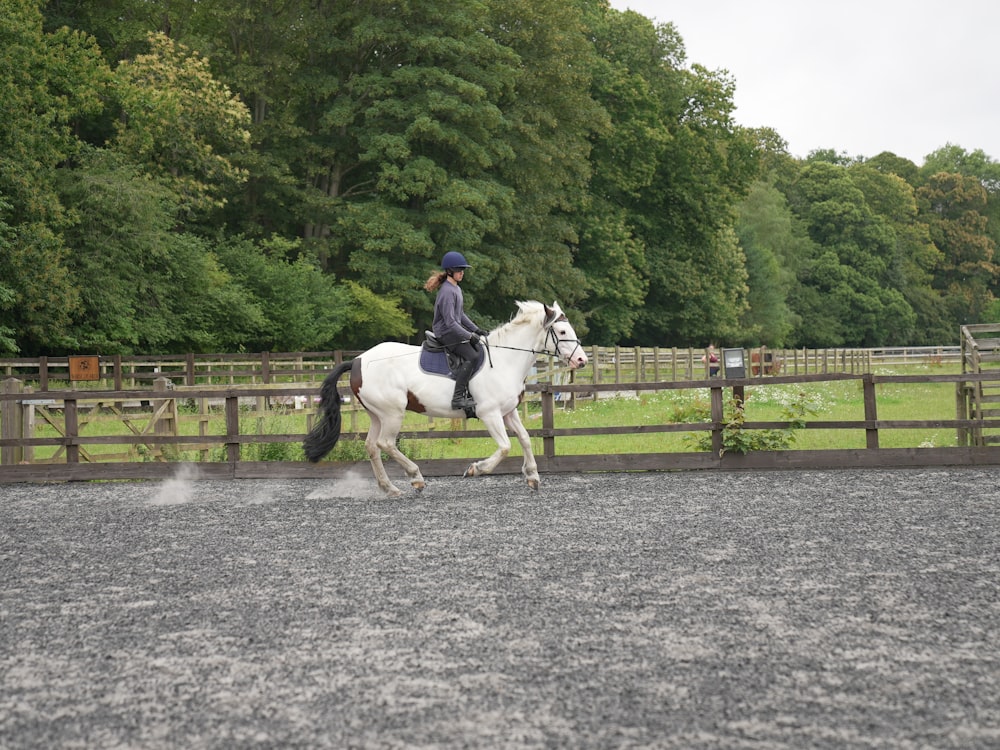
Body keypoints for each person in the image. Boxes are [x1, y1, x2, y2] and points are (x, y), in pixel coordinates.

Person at [424, 251, 488, 411]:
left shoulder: (456, 289)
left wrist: (476, 330)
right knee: (472, 356)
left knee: (478, 350)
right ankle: (458, 398)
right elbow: (450, 322)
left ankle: (472, 392)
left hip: (452, 329)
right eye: (459, 270)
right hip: (445, 332)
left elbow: (460, 314)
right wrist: (469, 336)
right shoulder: (447, 291)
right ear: (450, 271)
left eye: (463, 270)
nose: (462, 273)